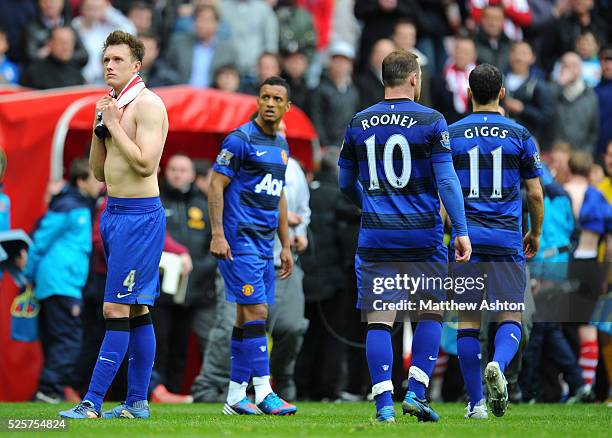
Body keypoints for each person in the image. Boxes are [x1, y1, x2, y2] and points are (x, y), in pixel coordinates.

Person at [338, 49, 471, 423]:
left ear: (385, 79)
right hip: (422, 235)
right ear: (414, 78)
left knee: (380, 319)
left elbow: (345, 181)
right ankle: (416, 392)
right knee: (430, 313)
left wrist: (369, 203)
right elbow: (446, 179)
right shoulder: (432, 119)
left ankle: (383, 407)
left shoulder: (359, 122)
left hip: (377, 236)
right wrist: (460, 230)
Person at [59, 30, 168, 419]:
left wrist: (116, 124)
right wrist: (98, 125)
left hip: (140, 216)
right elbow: (95, 171)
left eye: (118, 60)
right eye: (106, 60)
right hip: (113, 212)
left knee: (114, 309)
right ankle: (137, 402)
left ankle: (91, 402)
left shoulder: (149, 105)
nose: (109, 66)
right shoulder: (111, 106)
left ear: (136, 66)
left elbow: (146, 164)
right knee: (136, 309)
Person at [448, 64, 544, 419]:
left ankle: (475, 404)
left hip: (466, 240)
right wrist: (534, 233)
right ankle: (500, 366)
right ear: (502, 92)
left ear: (469, 93)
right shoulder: (519, 134)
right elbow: (534, 193)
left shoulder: (452, 134)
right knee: (510, 315)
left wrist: (452, 225)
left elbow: (443, 190)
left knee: (468, 320)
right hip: (505, 239)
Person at [209, 75, 297, 415]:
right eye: (265, 97)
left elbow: (280, 195)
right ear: (258, 101)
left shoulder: (282, 145)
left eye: (277, 98)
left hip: (264, 244)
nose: (271, 103)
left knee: (246, 317)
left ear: (287, 106)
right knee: (258, 311)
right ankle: (263, 391)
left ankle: (234, 397)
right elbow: (215, 186)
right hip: (238, 239)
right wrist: (218, 234)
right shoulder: (239, 140)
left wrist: (285, 245)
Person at [25, 158, 102, 403]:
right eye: (95, 179)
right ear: (81, 181)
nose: (100, 185)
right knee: (68, 338)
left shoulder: (77, 204)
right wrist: (27, 275)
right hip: (61, 282)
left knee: (59, 337)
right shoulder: (69, 206)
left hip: (61, 282)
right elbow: (40, 239)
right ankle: (49, 390)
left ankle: (51, 389)